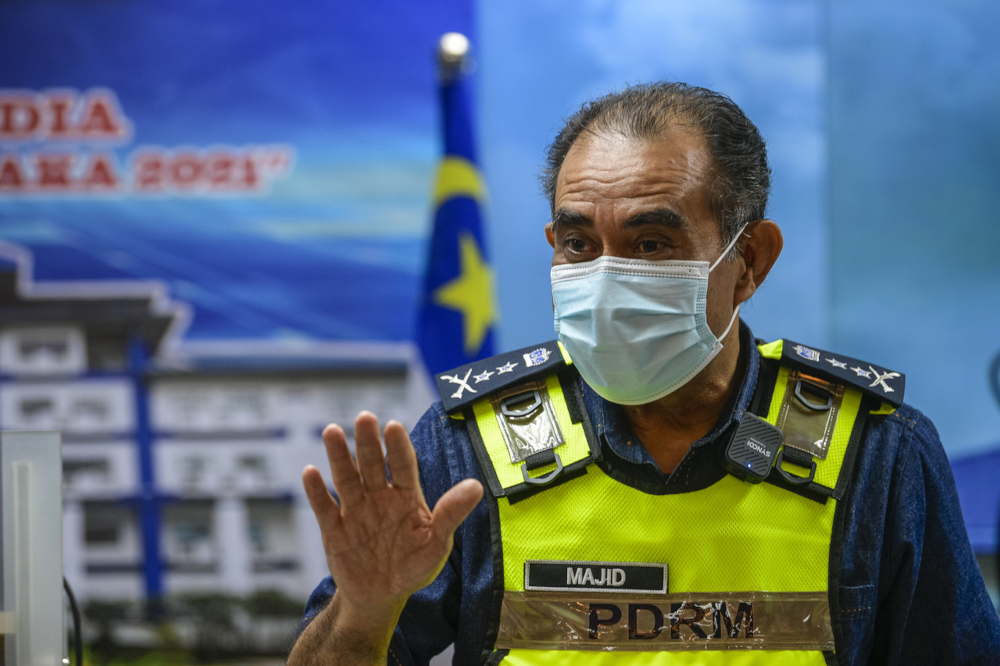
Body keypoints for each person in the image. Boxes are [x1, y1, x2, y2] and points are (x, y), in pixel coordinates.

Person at [288, 82, 1000, 665]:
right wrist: (364, 613)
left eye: (651, 242)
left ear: (750, 260)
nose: (604, 280)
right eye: (578, 243)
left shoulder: (878, 453)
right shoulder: (465, 447)